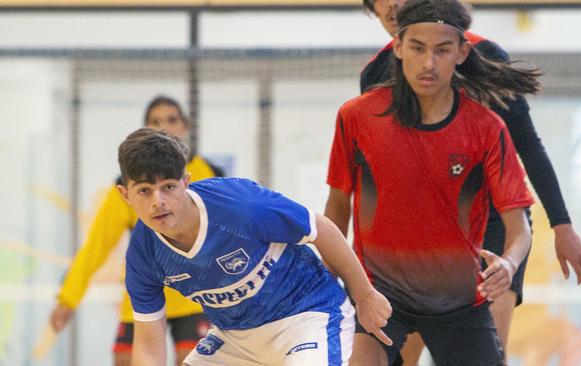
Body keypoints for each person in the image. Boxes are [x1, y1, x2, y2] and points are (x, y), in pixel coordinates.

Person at [355, 0, 581, 363]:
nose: (391, 5)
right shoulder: (376, 74)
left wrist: (562, 225)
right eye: (379, 4)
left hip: (490, 229)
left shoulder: (481, 53)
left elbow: (527, 144)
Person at [325, 0, 541, 364]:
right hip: (381, 296)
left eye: (442, 50)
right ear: (397, 47)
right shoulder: (356, 117)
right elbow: (336, 208)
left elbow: (519, 228)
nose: (428, 63)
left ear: (461, 52)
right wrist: (335, 279)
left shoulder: (487, 129)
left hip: (460, 304)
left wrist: (508, 263)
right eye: (417, 48)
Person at [116, 128, 392, 366]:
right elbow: (149, 348)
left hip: (307, 316)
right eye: (144, 191)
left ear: (186, 182)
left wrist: (365, 295)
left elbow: (322, 230)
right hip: (235, 338)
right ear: (125, 195)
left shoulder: (241, 206)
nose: (158, 201)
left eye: (168, 187)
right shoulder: (143, 253)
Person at [49, 96, 224, 366]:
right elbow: (96, 246)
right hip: (144, 293)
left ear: (186, 126)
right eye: (155, 122)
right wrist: (68, 298)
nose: (164, 127)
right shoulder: (126, 186)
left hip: (195, 296)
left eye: (171, 120)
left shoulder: (210, 174)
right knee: (125, 360)